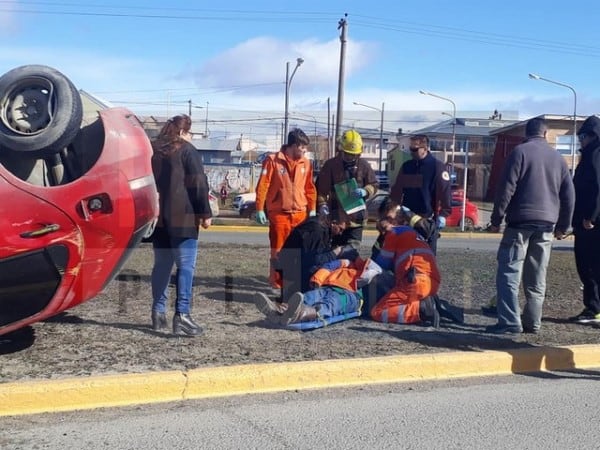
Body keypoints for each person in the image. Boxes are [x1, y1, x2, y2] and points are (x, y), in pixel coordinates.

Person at [486, 117, 574, 334]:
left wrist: (496, 220)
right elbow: (569, 195)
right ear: (545, 134)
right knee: (537, 276)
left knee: (509, 272)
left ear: (526, 134)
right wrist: (564, 225)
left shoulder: (520, 153)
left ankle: (509, 322)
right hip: (546, 225)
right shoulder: (558, 159)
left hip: (519, 223)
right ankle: (533, 322)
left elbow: (506, 189)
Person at [150, 114, 212, 336]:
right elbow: (197, 183)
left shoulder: (153, 150)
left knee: (162, 266)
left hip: (159, 219)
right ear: (185, 132)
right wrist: (205, 213)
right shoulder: (187, 150)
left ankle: (158, 314)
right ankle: (182, 315)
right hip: (183, 217)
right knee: (186, 266)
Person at [255, 128, 317, 289]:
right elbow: (263, 185)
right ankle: (278, 284)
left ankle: (295, 282)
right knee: (279, 251)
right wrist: (260, 208)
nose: (305, 150)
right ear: (294, 145)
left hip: (300, 214)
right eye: (303, 147)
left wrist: (312, 209)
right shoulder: (272, 160)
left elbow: (310, 187)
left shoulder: (306, 163)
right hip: (279, 214)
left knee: (299, 251)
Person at [254, 255, 382, 326]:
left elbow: (369, 276)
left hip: (350, 294)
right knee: (307, 297)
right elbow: (328, 267)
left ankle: (299, 314)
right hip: (326, 287)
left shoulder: (370, 271)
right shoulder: (345, 264)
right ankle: (278, 310)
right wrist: (318, 280)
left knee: (329, 305)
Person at [369, 207, 441, 326]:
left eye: (387, 219)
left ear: (399, 220)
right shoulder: (414, 234)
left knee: (378, 312)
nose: (383, 224)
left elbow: (380, 265)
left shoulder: (393, 233)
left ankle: (421, 309)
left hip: (415, 282)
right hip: (432, 283)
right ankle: (426, 303)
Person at [316, 129, 379, 255]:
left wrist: (365, 191)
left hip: (356, 221)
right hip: (335, 221)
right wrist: (322, 206)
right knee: (333, 254)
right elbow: (320, 191)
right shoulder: (330, 166)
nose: (350, 157)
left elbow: (374, 185)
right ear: (341, 150)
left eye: (353, 154)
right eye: (347, 154)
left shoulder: (364, 165)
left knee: (350, 254)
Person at [390, 134, 452, 254]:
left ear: (425, 148)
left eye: (415, 149)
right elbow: (396, 192)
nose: (412, 152)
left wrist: (444, 214)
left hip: (427, 221)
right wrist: (393, 209)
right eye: (410, 149)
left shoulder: (437, 167)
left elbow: (445, 192)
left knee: (425, 259)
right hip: (407, 220)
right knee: (404, 256)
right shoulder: (407, 167)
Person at [570, 115, 600, 323]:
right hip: (587, 221)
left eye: (582, 136)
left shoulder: (595, 155)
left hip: (591, 223)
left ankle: (594, 308)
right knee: (588, 265)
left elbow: (598, 187)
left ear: (592, 136)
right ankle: (593, 307)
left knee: (589, 265)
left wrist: (591, 216)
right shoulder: (590, 154)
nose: (580, 140)